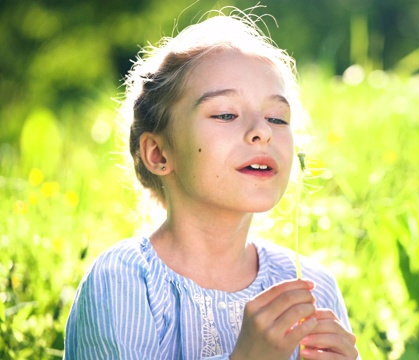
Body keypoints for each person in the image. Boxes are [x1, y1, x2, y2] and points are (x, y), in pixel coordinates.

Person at [64, 9, 359, 360]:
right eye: (225, 114)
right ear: (158, 153)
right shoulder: (124, 282)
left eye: (277, 117)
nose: (262, 131)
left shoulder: (315, 288)